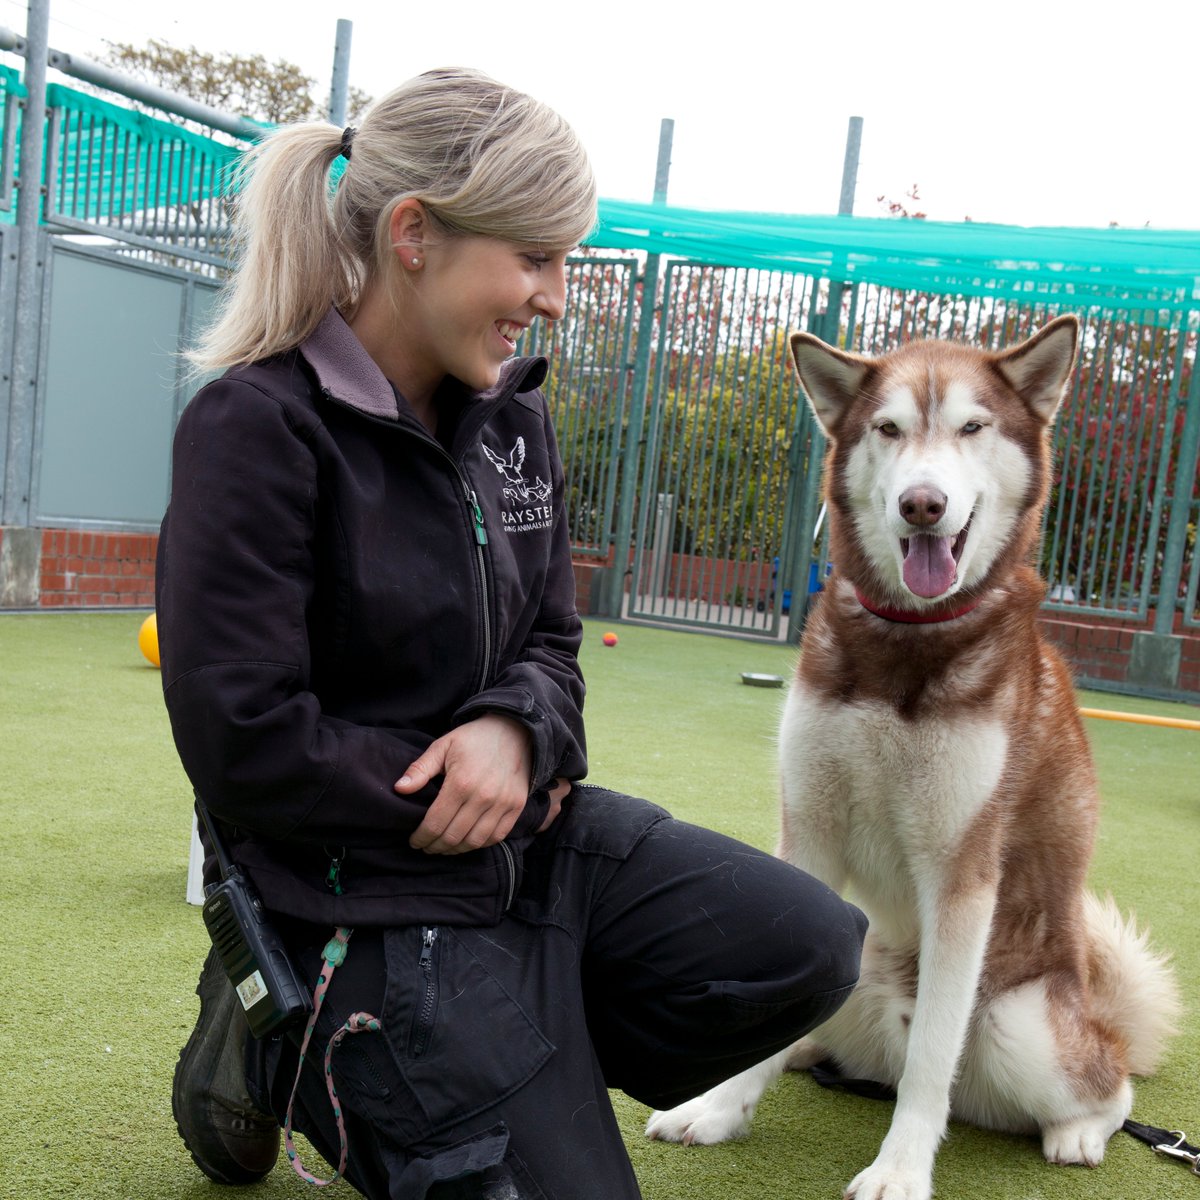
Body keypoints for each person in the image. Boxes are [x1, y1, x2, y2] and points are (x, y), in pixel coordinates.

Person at [157, 67, 866, 1200]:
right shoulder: (257, 425)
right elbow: (244, 737)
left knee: (810, 947)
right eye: (535, 257)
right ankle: (272, 1032)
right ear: (413, 235)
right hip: (346, 894)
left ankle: (518, 1054)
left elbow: (551, 642)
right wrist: (461, 788)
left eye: (566, 261)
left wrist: (517, 732)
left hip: (522, 852)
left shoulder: (514, 414)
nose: (558, 297)